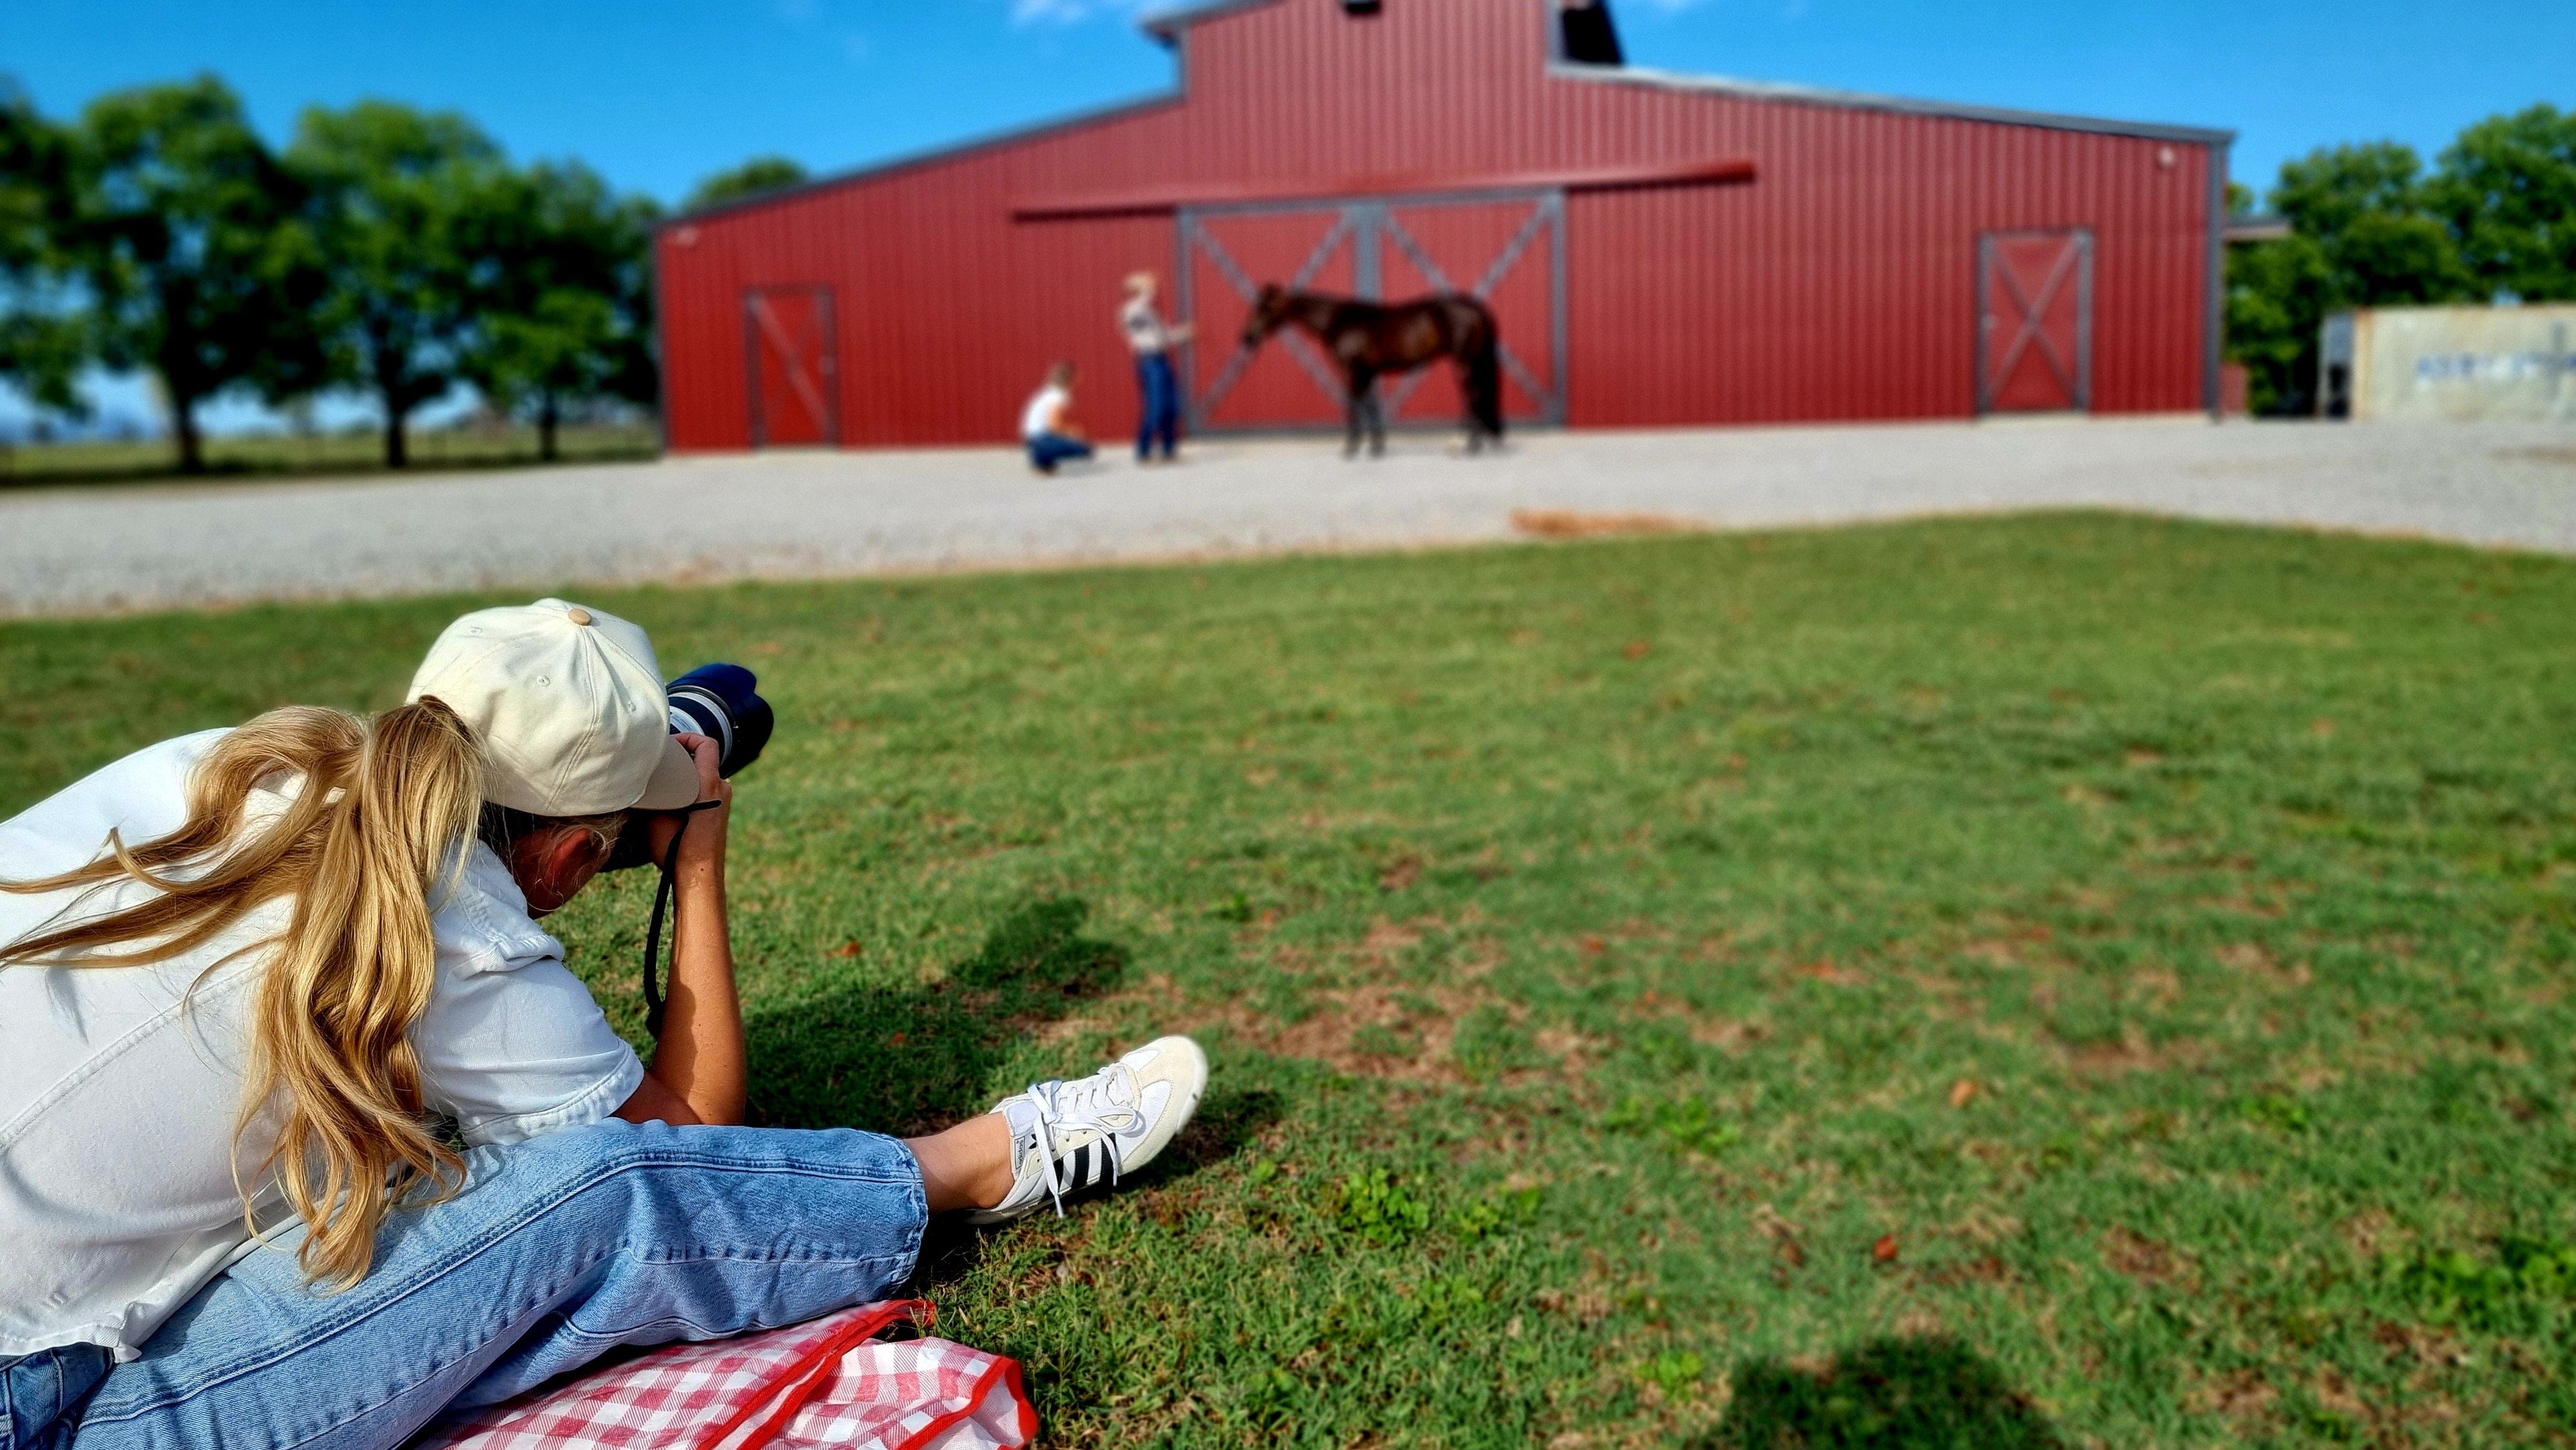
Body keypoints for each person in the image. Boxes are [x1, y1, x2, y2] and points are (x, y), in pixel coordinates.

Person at [0, 599, 1208, 1450]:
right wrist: (695, 870)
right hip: (42, 1411)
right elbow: (676, 1138)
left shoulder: (225, 761)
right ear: (578, 854)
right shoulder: (455, 914)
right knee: (592, 1203)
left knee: (400, 1174)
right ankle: (979, 1163)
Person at [1121, 270, 1192, 463]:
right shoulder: (1132, 311)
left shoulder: (1150, 312)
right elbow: (1149, 340)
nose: (1153, 291)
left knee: (1171, 405)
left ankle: (1169, 449)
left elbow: (1164, 337)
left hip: (1162, 360)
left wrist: (1185, 333)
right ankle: (1143, 450)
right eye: (1149, 288)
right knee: (1156, 406)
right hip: (1150, 361)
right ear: (1138, 290)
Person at [1020, 361, 1094, 475]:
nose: (1081, 378)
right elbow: (1053, 425)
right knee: (1084, 449)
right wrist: (1071, 431)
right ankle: (1041, 456)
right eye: (1078, 376)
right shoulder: (1060, 396)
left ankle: (1043, 460)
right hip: (1041, 438)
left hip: (1031, 437)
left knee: (1066, 440)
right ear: (1071, 379)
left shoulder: (1049, 392)